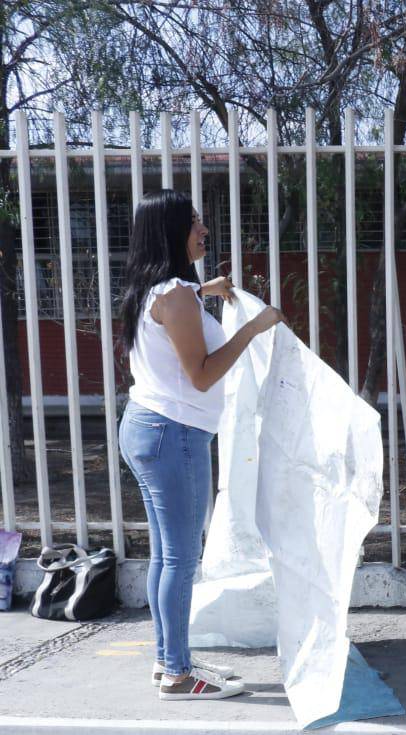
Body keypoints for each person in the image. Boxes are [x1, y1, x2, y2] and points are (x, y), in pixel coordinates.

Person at [117, 189, 284, 700]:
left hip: (149, 428)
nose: (203, 231)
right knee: (182, 559)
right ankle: (178, 673)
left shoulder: (153, 288)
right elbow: (203, 375)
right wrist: (254, 328)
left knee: (167, 556)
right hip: (175, 437)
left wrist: (204, 290)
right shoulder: (176, 295)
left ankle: (167, 659)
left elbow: (176, 320)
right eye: (193, 223)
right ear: (171, 231)